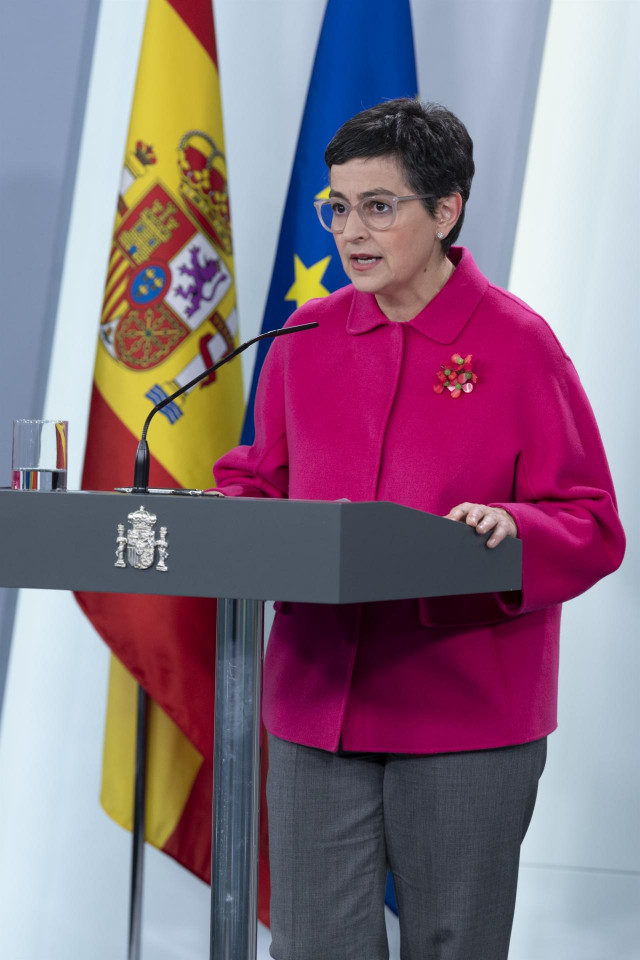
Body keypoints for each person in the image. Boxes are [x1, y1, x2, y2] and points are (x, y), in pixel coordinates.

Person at [213, 99, 625, 960]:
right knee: (314, 946)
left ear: (446, 210)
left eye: (378, 206)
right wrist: (225, 511)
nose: (351, 231)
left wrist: (509, 525)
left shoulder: (518, 345)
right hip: (316, 705)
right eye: (338, 207)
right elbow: (260, 478)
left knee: (453, 945)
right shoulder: (304, 334)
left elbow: (591, 523)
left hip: (464, 713)